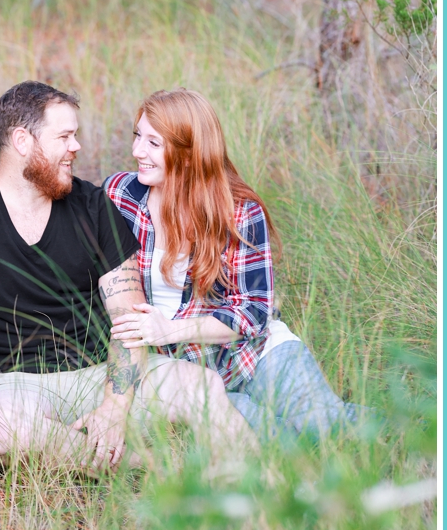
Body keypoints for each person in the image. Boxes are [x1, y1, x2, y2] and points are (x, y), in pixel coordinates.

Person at [0, 81, 257, 474]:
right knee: (0, 427)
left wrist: (114, 408)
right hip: (17, 387)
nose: (77, 147)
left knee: (201, 387)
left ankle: (262, 491)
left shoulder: (93, 207)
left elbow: (129, 318)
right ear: (23, 140)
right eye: (65, 136)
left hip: (100, 372)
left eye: (76, 135)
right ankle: (154, 470)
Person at [104, 88, 361, 439]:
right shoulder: (120, 195)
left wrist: (170, 330)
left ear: (190, 154)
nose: (137, 151)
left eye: (153, 143)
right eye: (138, 136)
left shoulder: (237, 212)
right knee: (279, 441)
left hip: (254, 354)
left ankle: (424, 431)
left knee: (329, 426)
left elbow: (254, 311)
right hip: (191, 376)